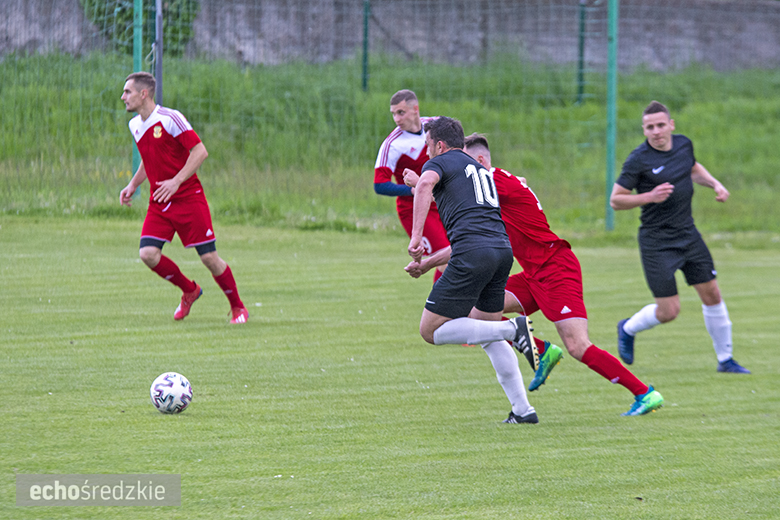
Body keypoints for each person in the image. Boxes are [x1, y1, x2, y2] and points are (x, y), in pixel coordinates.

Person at [406, 133, 664, 417]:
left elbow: (447, 188)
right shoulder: (489, 189)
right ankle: (537, 354)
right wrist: (429, 263)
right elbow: (468, 243)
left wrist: (419, 183)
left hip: (556, 268)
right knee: (476, 315)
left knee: (578, 345)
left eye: (465, 162)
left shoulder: (497, 180)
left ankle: (644, 393)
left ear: (480, 161)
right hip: (532, 274)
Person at [404, 116, 539, 424]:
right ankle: (523, 410)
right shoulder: (476, 168)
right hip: (501, 252)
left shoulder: (439, 163)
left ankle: (513, 329)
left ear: (439, 145)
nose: (426, 153)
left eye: (427, 146)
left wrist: (416, 239)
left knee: (430, 330)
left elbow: (428, 183)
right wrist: (417, 184)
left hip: (473, 254)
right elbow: (449, 199)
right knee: (487, 335)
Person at [610, 101, 749, 374]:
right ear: (644, 130)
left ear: (671, 125)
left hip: (688, 235)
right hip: (656, 243)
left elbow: (693, 168)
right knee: (669, 311)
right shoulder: (638, 160)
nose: (656, 131)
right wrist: (650, 197)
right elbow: (616, 200)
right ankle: (627, 328)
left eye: (661, 125)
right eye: (650, 127)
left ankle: (726, 360)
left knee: (712, 293)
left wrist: (715, 184)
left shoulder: (684, 144)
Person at [119, 72, 248, 324]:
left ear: (143, 94)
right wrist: (133, 184)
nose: (123, 97)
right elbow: (150, 158)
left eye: (127, 92)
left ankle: (238, 308)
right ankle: (189, 290)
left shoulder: (170, 118)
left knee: (209, 258)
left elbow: (200, 151)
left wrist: (177, 181)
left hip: (188, 198)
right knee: (148, 254)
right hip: (160, 202)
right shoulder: (135, 125)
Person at [374, 89, 449, 283]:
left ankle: (464, 312)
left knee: (462, 257)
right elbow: (379, 184)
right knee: (446, 262)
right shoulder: (392, 144)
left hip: (443, 203)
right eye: (393, 113)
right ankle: (442, 312)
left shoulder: (436, 126)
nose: (396, 119)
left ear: (415, 109)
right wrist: (413, 189)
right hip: (415, 210)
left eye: (401, 112)